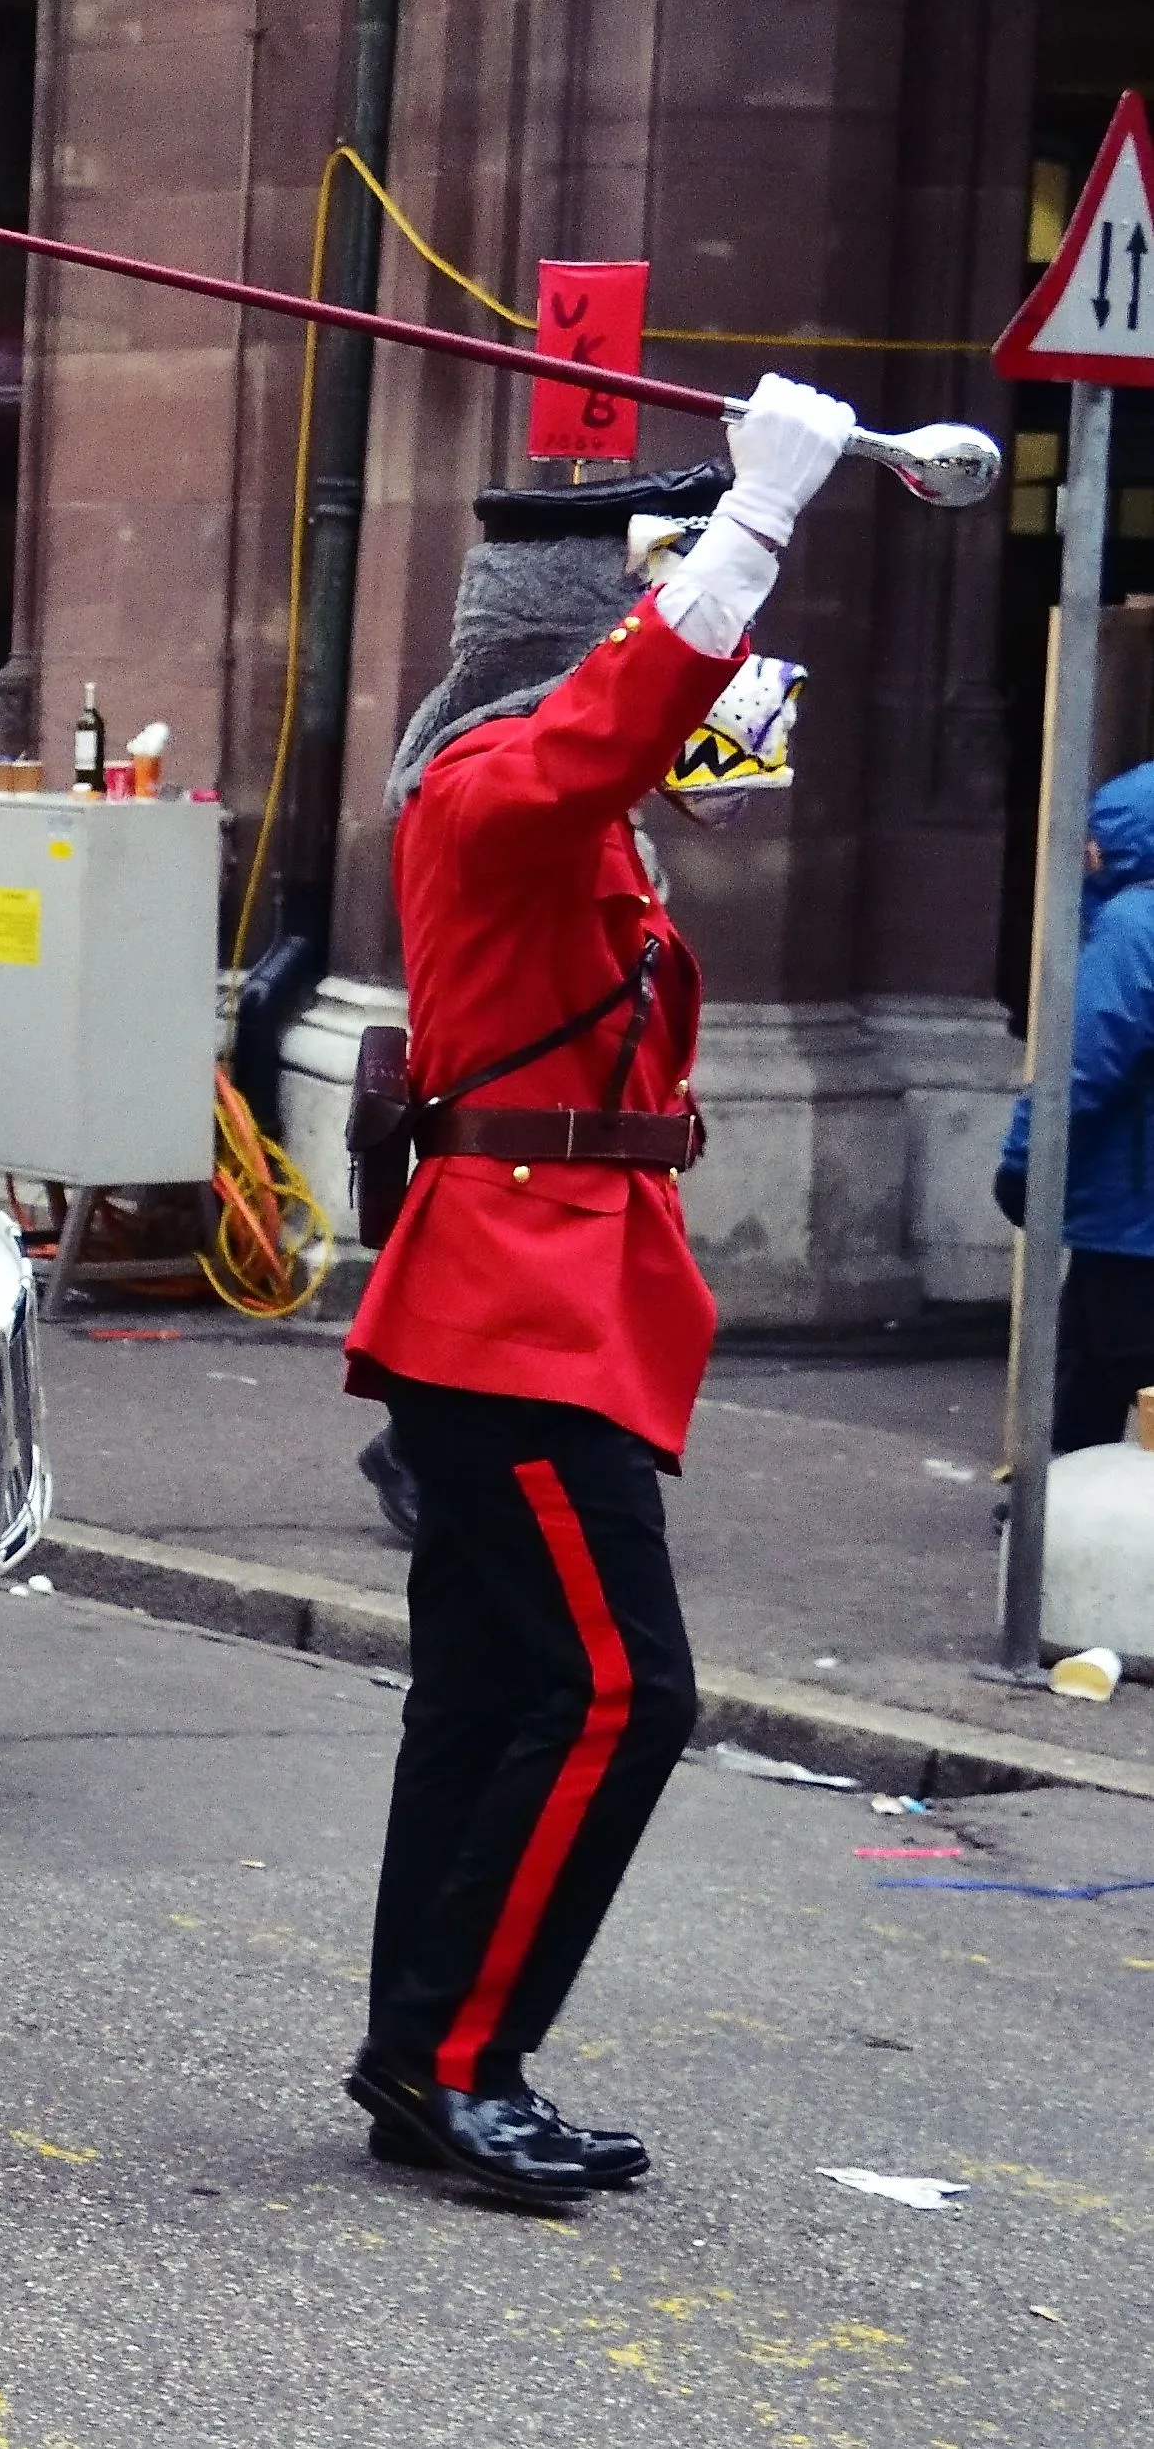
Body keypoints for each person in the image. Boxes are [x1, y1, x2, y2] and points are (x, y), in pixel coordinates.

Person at [337, 393, 849, 2210]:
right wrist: (752, 527)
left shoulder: (573, 813)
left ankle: (431, 2057)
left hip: (553, 1295)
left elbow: (632, 740)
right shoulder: (495, 789)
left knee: (486, 1696)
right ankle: (461, 2063)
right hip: (509, 1306)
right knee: (619, 1690)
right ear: (568, 654)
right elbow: (607, 727)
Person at [992, 760, 1154, 1457]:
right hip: (1131, 1203)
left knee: (1115, 1356)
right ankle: (1053, 1501)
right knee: (1089, 1362)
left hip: (1131, 1201)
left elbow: (1080, 1064)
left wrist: (1025, 1159)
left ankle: (1061, 1512)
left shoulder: (1132, 925)